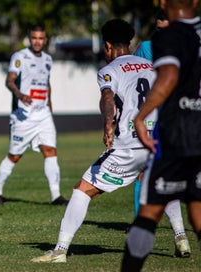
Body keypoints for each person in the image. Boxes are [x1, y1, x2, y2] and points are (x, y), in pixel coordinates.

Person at [31, 18, 159, 263]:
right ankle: (180, 236)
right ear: (130, 43)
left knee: (83, 190)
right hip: (155, 143)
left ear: (108, 46)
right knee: (169, 188)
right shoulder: (150, 66)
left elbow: (108, 97)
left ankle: (59, 251)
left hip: (128, 146)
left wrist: (107, 123)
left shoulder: (108, 70)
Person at [122, 0, 201, 270]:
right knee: (198, 211)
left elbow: (167, 77)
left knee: (148, 215)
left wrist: (141, 115)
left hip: (178, 132)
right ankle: (181, 237)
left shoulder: (168, 37)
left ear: (164, 4)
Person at [133, 10, 191, 257]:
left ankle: (146, 226)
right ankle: (178, 235)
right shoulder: (146, 47)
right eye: (160, 29)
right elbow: (132, 78)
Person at [0, 26, 68, 206]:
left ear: (46, 40)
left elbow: (47, 85)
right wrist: (20, 95)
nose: (37, 41)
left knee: (50, 151)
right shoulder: (20, 57)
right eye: (34, 38)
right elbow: (9, 81)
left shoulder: (48, 59)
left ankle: (56, 196)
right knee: (15, 156)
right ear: (29, 39)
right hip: (24, 115)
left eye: (41, 38)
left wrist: (50, 111)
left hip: (44, 115)